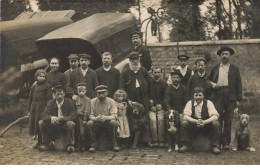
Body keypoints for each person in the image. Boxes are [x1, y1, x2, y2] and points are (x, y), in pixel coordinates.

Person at [208, 46, 242, 150]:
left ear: (230, 56)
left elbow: (238, 84)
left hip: (230, 95)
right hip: (218, 94)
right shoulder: (215, 68)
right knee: (218, 119)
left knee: (228, 119)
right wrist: (213, 84)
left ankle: (226, 143)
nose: (224, 56)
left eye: (226, 54)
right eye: (222, 54)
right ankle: (217, 142)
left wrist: (238, 99)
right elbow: (207, 80)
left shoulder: (235, 69)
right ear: (220, 56)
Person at [120, 52, 152, 147]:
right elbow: (121, 88)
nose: (135, 62)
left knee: (145, 119)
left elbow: (150, 85)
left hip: (143, 98)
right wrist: (127, 100)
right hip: (131, 99)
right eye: (132, 60)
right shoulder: (125, 72)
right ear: (129, 61)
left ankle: (146, 140)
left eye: (136, 60)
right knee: (131, 120)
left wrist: (150, 99)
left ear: (139, 60)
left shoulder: (143, 71)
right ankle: (130, 141)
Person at [178, 87, 221, 155]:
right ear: (193, 96)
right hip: (194, 125)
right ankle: (186, 145)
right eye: (196, 95)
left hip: (206, 126)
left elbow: (215, 116)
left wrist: (204, 122)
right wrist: (195, 121)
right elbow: (185, 116)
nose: (198, 97)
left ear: (203, 96)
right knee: (184, 123)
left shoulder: (208, 103)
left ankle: (215, 146)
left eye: (200, 95)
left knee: (216, 123)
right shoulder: (190, 103)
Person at [38, 85, 76, 153]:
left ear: (64, 94)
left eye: (61, 94)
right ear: (54, 95)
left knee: (71, 124)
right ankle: (46, 143)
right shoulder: (51, 102)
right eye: (57, 94)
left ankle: (70, 145)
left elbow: (73, 115)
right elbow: (44, 114)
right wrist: (51, 117)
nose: (60, 96)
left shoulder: (70, 102)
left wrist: (63, 118)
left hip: (64, 123)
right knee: (41, 122)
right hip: (53, 123)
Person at [87, 85, 119, 152]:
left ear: (107, 93)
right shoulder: (92, 101)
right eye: (99, 93)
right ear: (96, 94)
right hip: (96, 122)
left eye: (103, 93)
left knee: (114, 123)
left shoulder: (111, 101)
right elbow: (90, 115)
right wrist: (96, 118)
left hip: (107, 122)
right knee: (90, 123)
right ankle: (93, 144)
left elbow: (114, 116)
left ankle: (114, 143)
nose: (101, 95)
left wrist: (105, 117)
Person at [28, 69, 52, 148]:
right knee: (34, 124)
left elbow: (49, 99)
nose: (41, 78)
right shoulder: (34, 86)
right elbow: (30, 98)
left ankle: (43, 142)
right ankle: (38, 142)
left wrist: (47, 109)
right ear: (36, 77)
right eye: (40, 76)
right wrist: (29, 109)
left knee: (40, 124)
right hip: (34, 107)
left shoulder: (47, 86)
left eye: (43, 76)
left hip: (42, 107)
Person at [164, 69, 188, 147]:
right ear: (171, 79)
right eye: (174, 77)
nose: (175, 79)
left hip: (181, 111)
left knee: (183, 122)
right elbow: (166, 101)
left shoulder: (184, 89)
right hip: (172, 112)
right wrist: (170, 111)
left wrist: (182, 112)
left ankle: (183, 142)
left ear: (180, 79)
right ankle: (169, 142)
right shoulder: (168, 89)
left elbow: (186, 102)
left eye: (177, 77)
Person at [149, 67, 168, 147]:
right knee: (153, 120)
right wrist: (150, 105)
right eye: (155, 72)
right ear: (152, 73)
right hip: (151, 107)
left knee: (160, 119)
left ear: (161, 73)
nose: (156, 74)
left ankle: (161, 139)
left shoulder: (164, 84)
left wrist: (161, 105)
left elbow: (166, 96)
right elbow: (146, 95)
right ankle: (155, 139)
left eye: (158, 72)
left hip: (161, 107)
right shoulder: (149, 83)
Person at [72, 83, 91, 151]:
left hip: (82, 117)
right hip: (76, 117)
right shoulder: (76, 99)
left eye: (83, 91)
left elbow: (87, 110)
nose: (81, 93)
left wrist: (85, 119)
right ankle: (77, 144)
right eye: (79, 91)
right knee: (76, 131)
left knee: (82, 132)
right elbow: (73, 108)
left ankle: (84, 145)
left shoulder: (87, 99)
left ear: (85, 91)